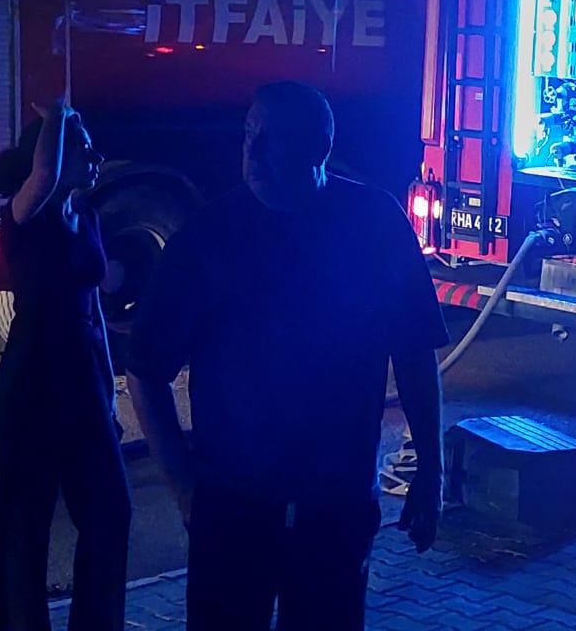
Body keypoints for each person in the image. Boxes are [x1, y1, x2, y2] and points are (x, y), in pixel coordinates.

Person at [127, 81, 447, 631]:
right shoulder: (207, 237)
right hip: (233, 506)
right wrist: (185, 488)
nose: (252, 153)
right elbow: (144, 371)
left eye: (272, 140)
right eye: (248, 135)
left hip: (337, 504)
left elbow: (415, 352)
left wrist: (431, 473)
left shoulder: (374, 224)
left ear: (318, 148)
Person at [0, 99, 128, 631]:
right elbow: (43, 174)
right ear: (57, 155)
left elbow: (94, 308)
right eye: (84, 148)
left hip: (83, 377)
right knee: (26, 525)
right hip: (33, 380)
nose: (97, 157)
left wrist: (109, 392)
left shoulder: (87, 217)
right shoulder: (25, 214)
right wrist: (55, 117)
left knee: (110, 510)